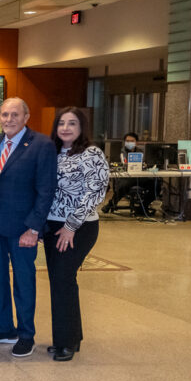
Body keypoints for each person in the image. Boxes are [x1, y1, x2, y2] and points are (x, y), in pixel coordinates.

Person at [0, 97, 56, 358]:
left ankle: (25, 334)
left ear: (26, 116)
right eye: (4, 115)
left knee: (24, 281)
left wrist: (34, 228)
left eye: (14, 115)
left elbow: (46, 191)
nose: (8, 120)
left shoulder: (42, 145)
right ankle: (4, 328)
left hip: (23, 228)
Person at [44, 107, 109, 361]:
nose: (66, 128)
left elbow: (95, 192)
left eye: (72, 123)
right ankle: (69, 337)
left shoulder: (92, 154)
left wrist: (71, 226)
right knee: (60, 282)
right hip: (52, 226)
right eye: (61, 123)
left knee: (63, 280)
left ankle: (67, 341)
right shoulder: (52, 152)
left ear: (82, 127)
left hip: (78, 228)